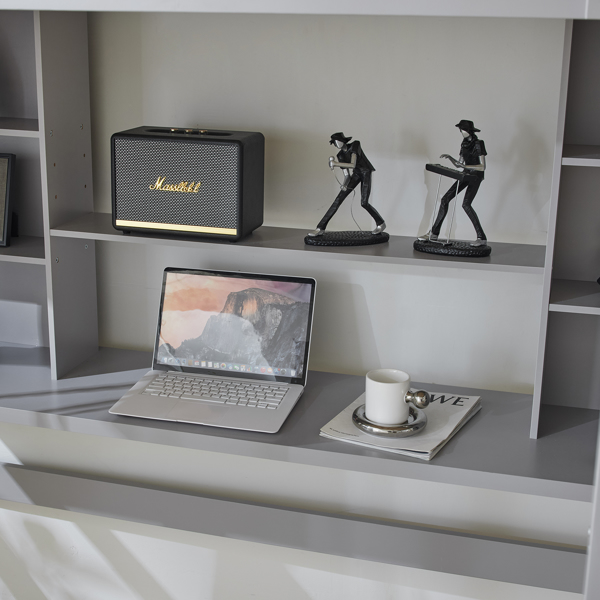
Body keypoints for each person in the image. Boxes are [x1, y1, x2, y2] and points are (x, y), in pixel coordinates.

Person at [419, 120, 487, 246]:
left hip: (476, 176)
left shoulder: (478, 143)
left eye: (463, 130)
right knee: (445, 199)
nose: (461, 132)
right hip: (465, 174)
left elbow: (482, 167)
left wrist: (465, 166)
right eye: (460, 130)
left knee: (466, 204)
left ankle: (481, 237)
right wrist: (450, 158)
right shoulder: (464, 143)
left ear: (469, 131)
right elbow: (459, 163)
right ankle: (434, 233)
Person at [308, 132, 386, 236]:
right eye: (334, 143)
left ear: (342, 141)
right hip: (357, 174)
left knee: (364, 203)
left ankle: (381, 223)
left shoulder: (355, 145)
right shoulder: (340, 155)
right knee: (338, 200)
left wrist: (335, 164)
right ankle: (320, 227)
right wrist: (345, 184)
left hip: (366, 171)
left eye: (335, 142)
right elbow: (347, 175)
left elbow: (353, 164)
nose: (335, 145)